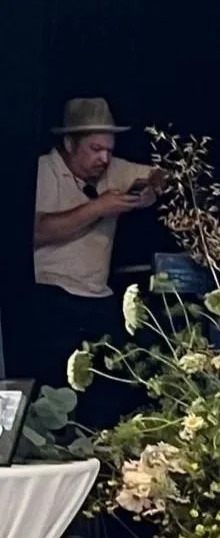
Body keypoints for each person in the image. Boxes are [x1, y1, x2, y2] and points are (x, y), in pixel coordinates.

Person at [32, 98, 163, 427]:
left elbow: (163, 175)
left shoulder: (112, 168)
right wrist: (99, 208)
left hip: (99, 297)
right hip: (51, 295)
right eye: (94, 149)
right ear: (68, 143)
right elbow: (35, 232)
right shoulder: (42, 171)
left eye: (109, 148)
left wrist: (151, 190)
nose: (104, 158)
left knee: (124, 378)